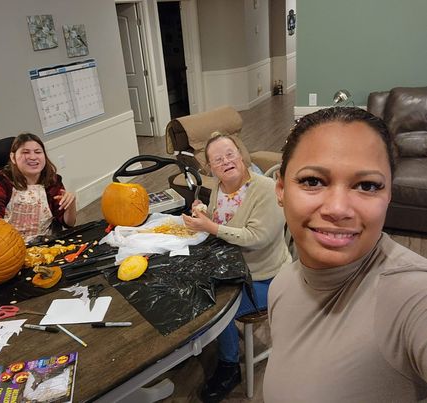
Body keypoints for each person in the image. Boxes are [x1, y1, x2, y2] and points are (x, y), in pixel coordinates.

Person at [264, 107, 427, 402]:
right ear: (280, 189)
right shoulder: (283, 284)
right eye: (313, 181)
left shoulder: (412, 295)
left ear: (389, 195)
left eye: (367, 186)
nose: (338, 209)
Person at [182, 132, 291, 402]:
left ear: (241, 155)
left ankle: (229, 367)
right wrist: (204, 212)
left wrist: (210, 226)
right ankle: (196, 341)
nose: (226, 162)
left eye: (230, 154)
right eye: (217, 160)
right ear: (210, 168)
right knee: (189, 288)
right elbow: (221, 220)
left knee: (214, 311)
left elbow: (256, 237)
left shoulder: (266, 189)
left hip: (266, 277)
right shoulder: (219, 187)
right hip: (231, 269)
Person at [0, 133, 76, 241]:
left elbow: (68, 224)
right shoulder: (1, 180)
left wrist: (71, 204)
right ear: (13, 157)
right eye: (25, 152)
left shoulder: (53, 181)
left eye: (38, 152)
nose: (33, 157)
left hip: (45, 243)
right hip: (8, 244)